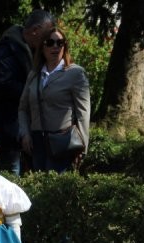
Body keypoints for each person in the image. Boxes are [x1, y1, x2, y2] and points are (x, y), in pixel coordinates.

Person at [0, 9, 55, 174]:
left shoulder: (30, 50)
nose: (48, 41)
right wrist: (35, 92)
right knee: (11, 172)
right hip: (8, 127)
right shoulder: (8, 48)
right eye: (46, 35)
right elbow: (3, 85)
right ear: (35, 30)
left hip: (21, 126)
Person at [18, 27, 91, 172]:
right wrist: (25, 133)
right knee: (37, 183)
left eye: (60, 43)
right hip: (36, 143)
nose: (55, 46)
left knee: (56, 184)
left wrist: (82, 147)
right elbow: (23, 109)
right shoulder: (34, 74)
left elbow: (83, 112)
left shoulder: (75, 73)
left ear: (65, 46)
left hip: (62, 142)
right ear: (42, 47)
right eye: (50, 42)